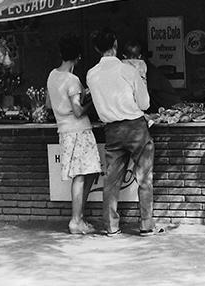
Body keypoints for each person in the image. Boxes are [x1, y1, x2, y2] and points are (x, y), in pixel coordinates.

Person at [87, 28, 163, 236]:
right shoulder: (128, 71)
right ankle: (146, 225)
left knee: (111, 181)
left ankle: (111, 226)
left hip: (111, 130)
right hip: (136, 128)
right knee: (144, 178)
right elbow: (145, 103)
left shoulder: (91, 74)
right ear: (115, 45)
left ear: (96, 48)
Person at [47, 35, 102, 235]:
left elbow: (48, 104)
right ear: (77, 58)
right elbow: (78, 111)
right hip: (78, 130)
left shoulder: (52, 75)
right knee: (81, 176)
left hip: (64, 130)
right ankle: (76, 220)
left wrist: (80, 96)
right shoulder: (72, 80)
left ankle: (79, 217)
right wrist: (93, 98)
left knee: (89, 173)